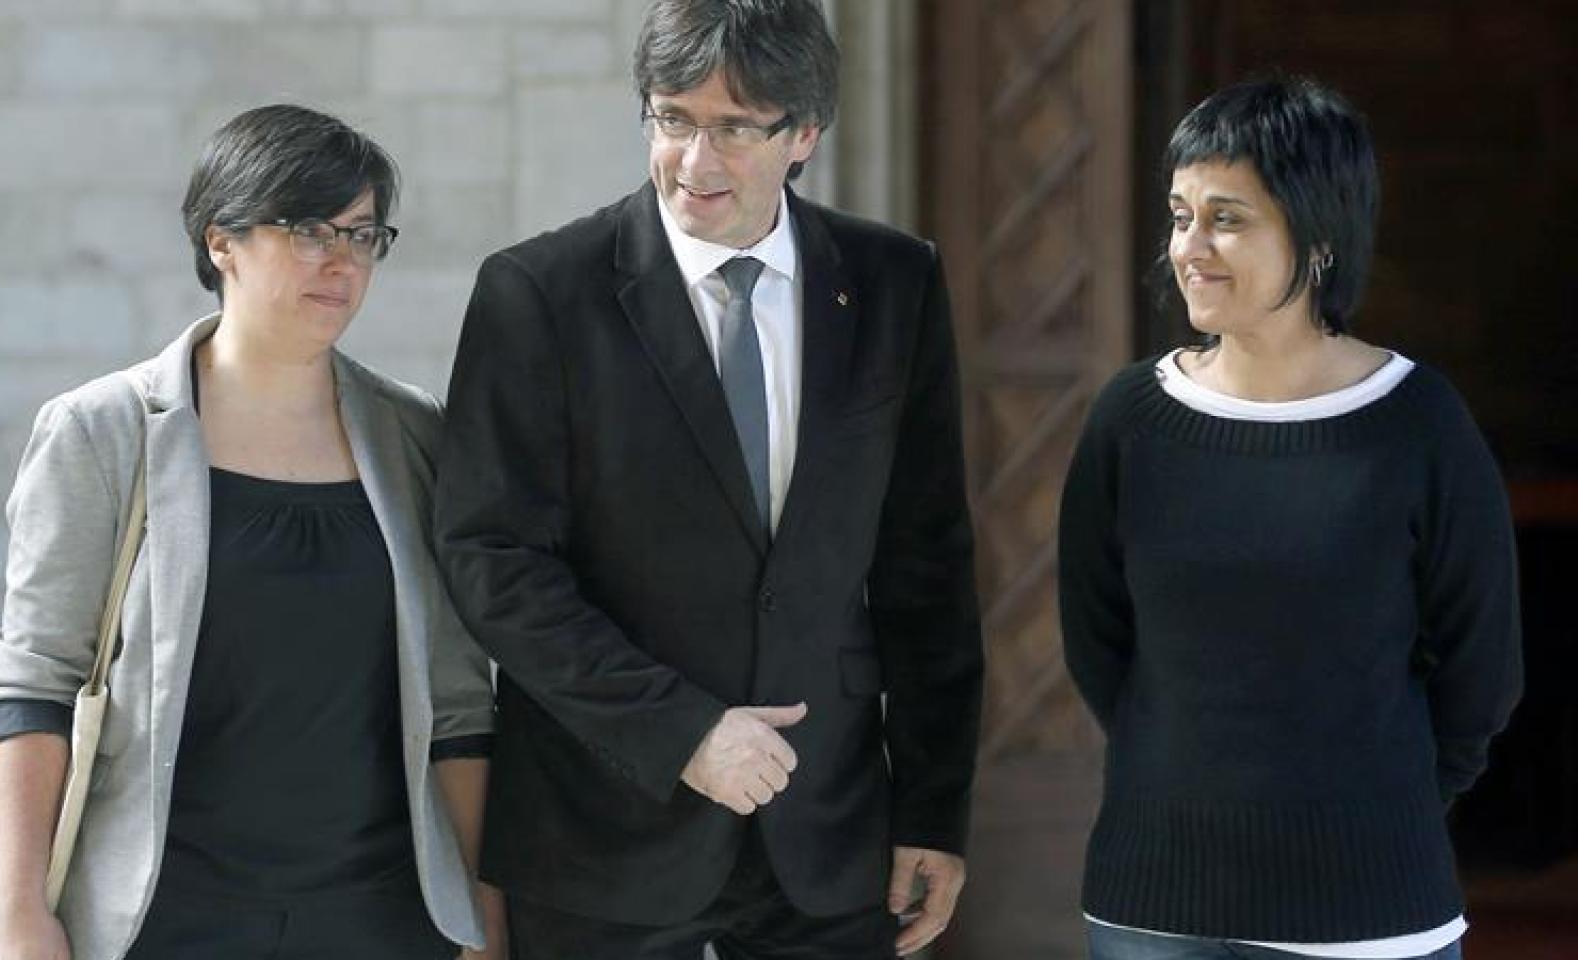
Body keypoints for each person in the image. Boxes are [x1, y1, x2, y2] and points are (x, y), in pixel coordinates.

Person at [434, 1, 984, 957]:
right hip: (605, 827)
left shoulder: (894, 283)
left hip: (826, 831)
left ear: (805, 132)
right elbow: (493, 559)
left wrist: (934, 809)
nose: (695, 161)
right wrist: (681, 731)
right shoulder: (539, 293)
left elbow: (925, 562)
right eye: (673, 119)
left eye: (734, 128)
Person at [0, 104, 503, 960]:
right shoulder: (102, 433)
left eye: (363, 235)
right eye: (309, 231)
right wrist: (18, 915)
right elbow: (36, 685)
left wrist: (484, 920)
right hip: (163, 917)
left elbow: (458, 710)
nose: (341, 261)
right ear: (221, 240)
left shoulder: (415, 436)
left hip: (382, 918)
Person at [1059, 76, 1522, 960]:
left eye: (1226, 219)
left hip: (1370, 915)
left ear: (1318, 239)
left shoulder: (1418, 423)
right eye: (1180, 216)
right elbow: (1098, 641)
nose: (1190, 248)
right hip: (1155, 909)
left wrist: (1380, 809)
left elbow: (1483, 670)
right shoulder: (1130, 420)